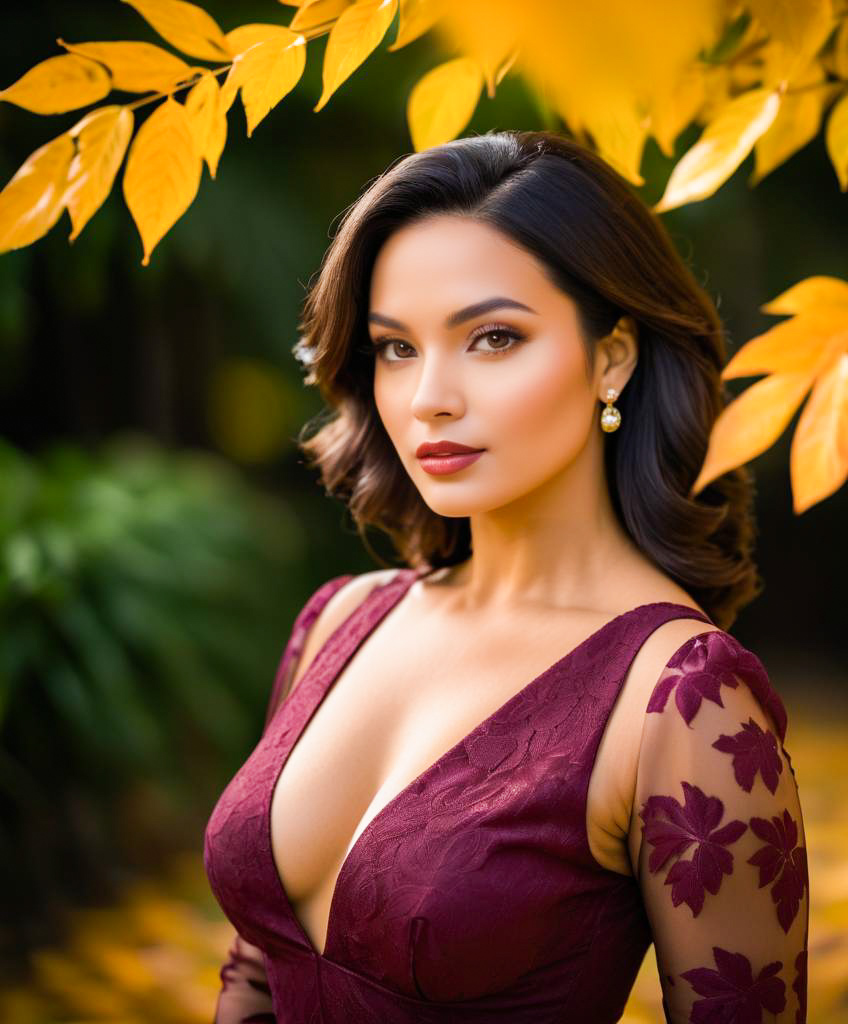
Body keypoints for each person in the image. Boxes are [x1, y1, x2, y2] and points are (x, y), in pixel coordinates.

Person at [203, 129, 809, 1023]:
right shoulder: (338, 620)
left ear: (613, 355)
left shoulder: (685, 699)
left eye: (491, 338)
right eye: (396, 348)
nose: (429, 397)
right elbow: (256, 973)